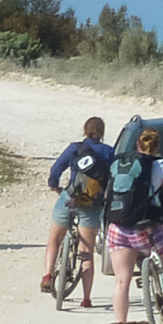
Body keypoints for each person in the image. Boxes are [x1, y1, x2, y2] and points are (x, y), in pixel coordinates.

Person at [102, 128, 163, 324]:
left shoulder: (121, 164)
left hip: (118, 227)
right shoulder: (161, 165)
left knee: (122, 280)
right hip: (146, 229)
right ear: (157, 147)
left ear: (138, 144)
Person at [42, 116, 114, 309]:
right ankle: (86, 298)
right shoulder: (108, 152)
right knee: (86, 252)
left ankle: (48, 275)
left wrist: (54, 186)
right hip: (91, 204)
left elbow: (56, 169)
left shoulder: (75, 148)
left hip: (70, 197)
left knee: (54, 239)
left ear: (85, 130)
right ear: (102, 132)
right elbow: (113, 178)